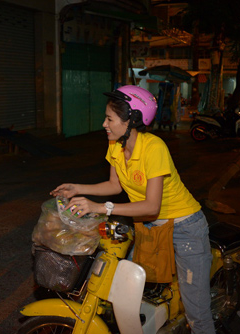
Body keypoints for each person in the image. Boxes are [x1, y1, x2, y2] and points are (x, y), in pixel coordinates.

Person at [50, 85, 215, 334]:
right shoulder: (116, 145)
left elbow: (152, 205)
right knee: (127, 286)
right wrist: (77, 188)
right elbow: (114, 185)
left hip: (185, 228)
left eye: (109, 119)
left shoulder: (154, 147)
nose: (104, 124)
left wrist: (100, 207)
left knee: (197, 311)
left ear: (133, 120)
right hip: (148, 225)